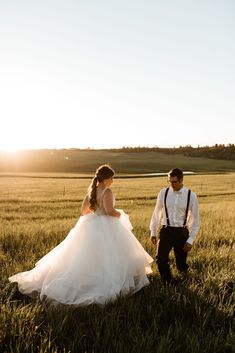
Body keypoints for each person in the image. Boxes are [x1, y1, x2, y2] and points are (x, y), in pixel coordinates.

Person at [9, 164, 153, 305]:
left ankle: (85, 281)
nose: (112, 181)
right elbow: (110, 212)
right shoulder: (107, 192)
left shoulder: (91, 191)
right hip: (107, 227)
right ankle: (105, 283)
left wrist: (96, 211)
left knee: (86, 256)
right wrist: (120, 214)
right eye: (111, 178)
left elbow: (83, 211)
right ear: (105, 179)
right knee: (109, 255)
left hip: (91, 225)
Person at [150, 168, 200, 284]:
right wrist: (153, 231)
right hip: (166, 230)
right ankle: (168, 281)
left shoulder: (191, 195)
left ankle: (185, 279)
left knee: (181, 264)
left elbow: (195, 219)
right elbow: (156, 213)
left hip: (182, 232)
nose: (171, 184)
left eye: (174, 182)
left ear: (181, 180)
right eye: (169, 181)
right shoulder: (163, 193)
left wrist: (191, 239)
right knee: (161, 258)